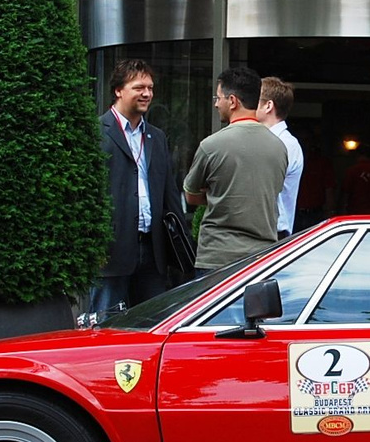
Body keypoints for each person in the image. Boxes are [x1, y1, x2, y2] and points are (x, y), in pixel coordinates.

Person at [92, 58, 186, 313]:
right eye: (139, 87)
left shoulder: (156, 137)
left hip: (153, 251)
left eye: (150, 88)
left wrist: (180, 244)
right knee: (105, 325)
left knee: (153, 325)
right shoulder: (96, 132)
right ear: (118, 90)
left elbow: (169, 193)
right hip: (112, 251)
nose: (147, 94)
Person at [183, 66, 287, 275]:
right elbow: (268, 192)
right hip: (262, 256)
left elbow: (190, 196)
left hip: (217, 255)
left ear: (232, 101)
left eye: (218, 97)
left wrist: (217, 194)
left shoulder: (211, 145)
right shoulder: (279, 147)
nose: (215, 103)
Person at [258, 76, 303, 239]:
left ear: (268, 105)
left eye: (254, 100)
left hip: (273, 234)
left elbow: (260, 186)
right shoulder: (267, 140)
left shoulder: (286, 144)